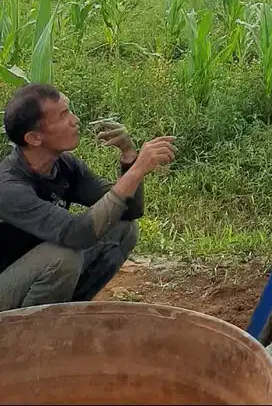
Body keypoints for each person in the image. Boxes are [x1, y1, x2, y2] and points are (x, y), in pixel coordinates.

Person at [0, 83, 175, 309]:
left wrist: (129, 156)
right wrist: (136, 171)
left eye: (69, 110)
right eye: (63, 115)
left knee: (122, 229)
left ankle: (68, 314)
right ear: (34, 138)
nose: (75, 120)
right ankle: (28, 337)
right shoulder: (8, 186)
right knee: (62, 258)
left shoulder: (64, 165)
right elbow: (77, 234)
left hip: (33, 272)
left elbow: (129, 210)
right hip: (6, 285)